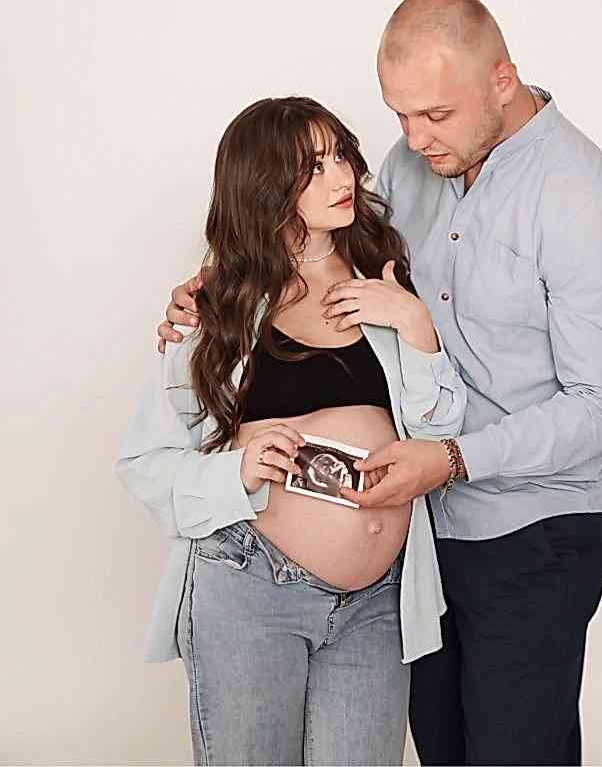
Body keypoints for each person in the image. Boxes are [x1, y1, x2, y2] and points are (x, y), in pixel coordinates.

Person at [160, 0, 602, 766]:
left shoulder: (584, 204)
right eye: (400, 115)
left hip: (534, 528)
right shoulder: (417, 162)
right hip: (423, 532)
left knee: (515, 753)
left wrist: (453, 457)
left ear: (501, 80)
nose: (414, 138)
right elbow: (320, 246)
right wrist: (220, 288)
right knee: (441, 748)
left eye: (435, 115)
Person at [117, 95, 467, 767]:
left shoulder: (385, 275)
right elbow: (145, 461)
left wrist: (414, 323)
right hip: (252, 590)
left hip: (377, 604)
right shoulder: (218, 308)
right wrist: (236, 470)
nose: (342, 178)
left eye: (341, 157)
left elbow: (439, 433)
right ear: (264, 184)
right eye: (313, 167)